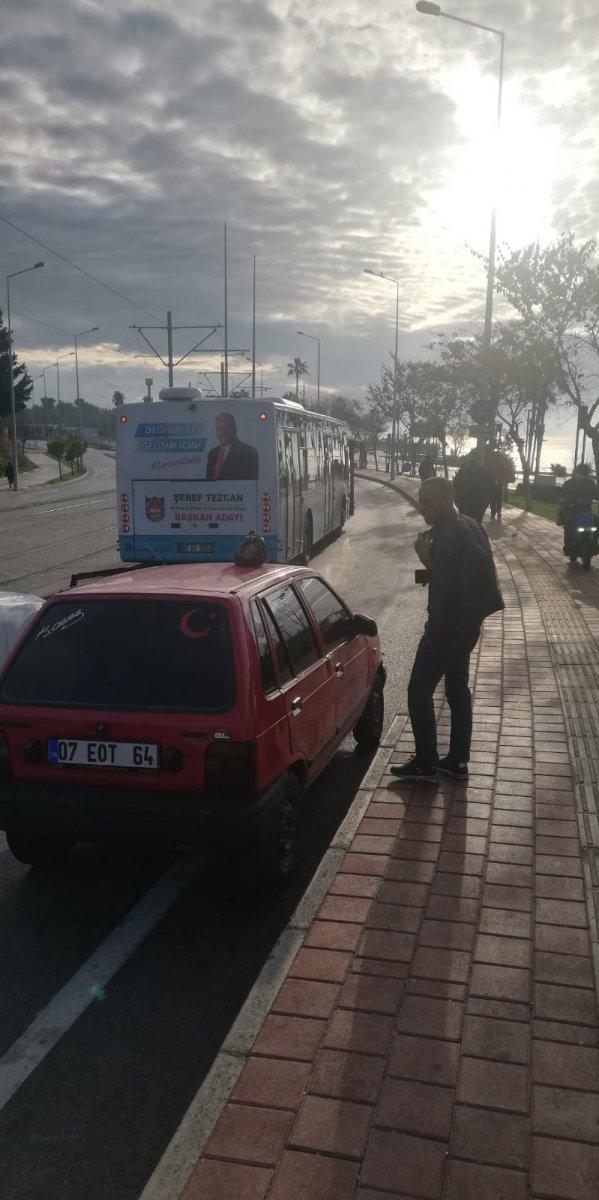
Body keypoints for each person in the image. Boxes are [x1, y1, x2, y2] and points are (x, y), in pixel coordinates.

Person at [391, 476, 504, 783]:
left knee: (419, 690)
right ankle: (457, 760)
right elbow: (461, 575)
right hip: (469, 624)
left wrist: (425, 556)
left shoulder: (450, 533)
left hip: (448, 627)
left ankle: (426, 762)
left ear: (442, 502)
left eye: (426, 500)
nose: (421, 506)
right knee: (457, 689)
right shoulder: (470, 524)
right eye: (420, 499)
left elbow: (445, 584)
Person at [558, 464, 599, 555]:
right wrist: (563, 500)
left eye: (582, 473)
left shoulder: (590, 484)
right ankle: (568, 546)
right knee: (569, 522)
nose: (579, 475)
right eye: (577, 473)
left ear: (586, 474)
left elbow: (596, 494)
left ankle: (594, 544)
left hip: (586, 510)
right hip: (571, 509)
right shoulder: (568, 483)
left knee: (596, 522)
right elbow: (561, 494)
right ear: (574, 473)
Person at [206, 413, 259, 481]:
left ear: (235, 429)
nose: (223, 433)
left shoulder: (248, 452)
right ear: (216, 430)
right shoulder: (212, 453)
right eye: (220, 429)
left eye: (227, 428)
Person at [453, 450, 492, 522]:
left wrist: (485, 502)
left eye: (474, 458)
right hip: (465, 504)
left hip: (479, 504)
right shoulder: (463, 471)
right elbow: (457, 486)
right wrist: (457, 500)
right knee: (465, 524)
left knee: (476, 523)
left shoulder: (484, 472)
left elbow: (488, 488)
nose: (472, 460)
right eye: (471, 458)